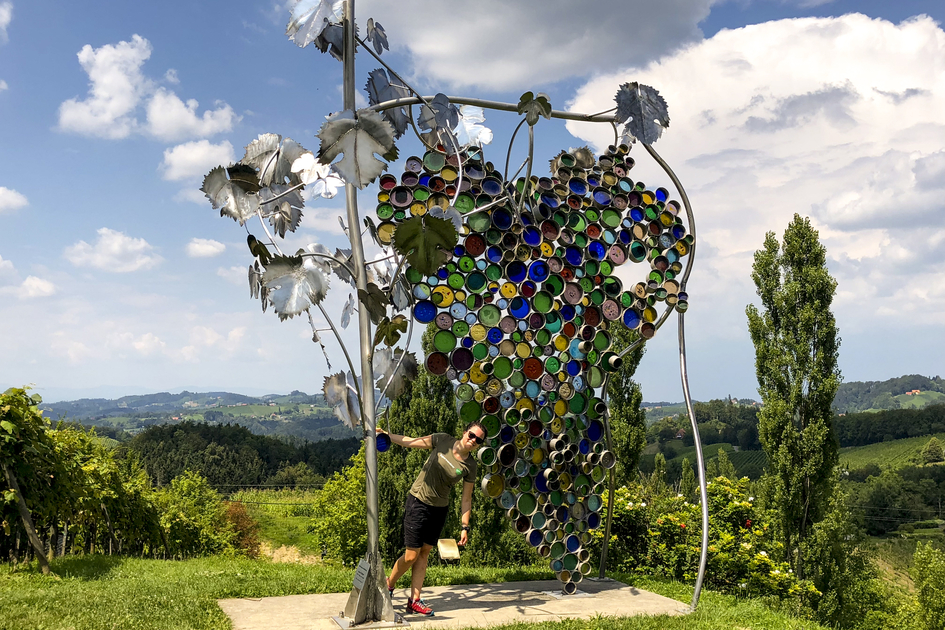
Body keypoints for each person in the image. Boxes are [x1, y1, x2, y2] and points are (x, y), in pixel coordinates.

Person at [380, 421, 486, 616]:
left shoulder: (470, 465)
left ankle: (415, 601)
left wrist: (465, 526)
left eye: (478, 440)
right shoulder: (443, 440)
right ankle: (389, 585)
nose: (473, 440)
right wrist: (387, 435)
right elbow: (411, 442)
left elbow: (466, 499)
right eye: (471, 435)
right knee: (411, 555)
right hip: (418, 501)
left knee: (424, 552)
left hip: (439, 510)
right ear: (464, 432)